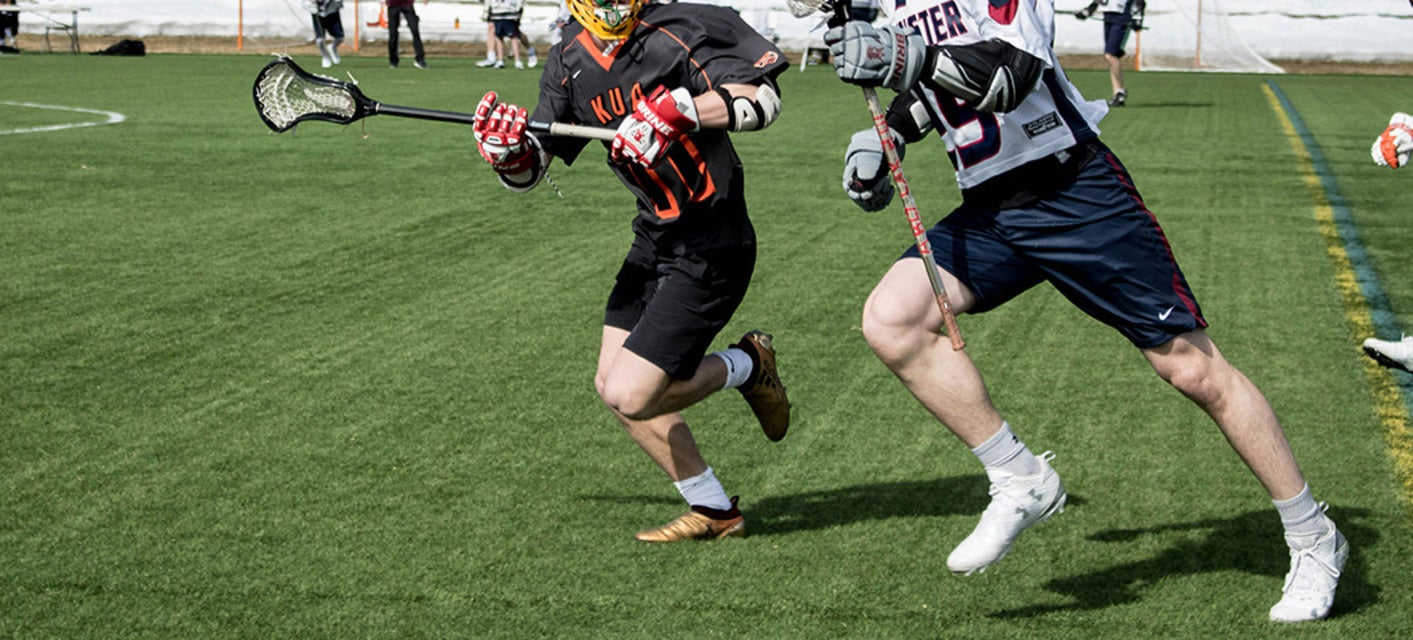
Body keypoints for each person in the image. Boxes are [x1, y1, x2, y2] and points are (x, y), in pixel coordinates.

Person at [823, 0, 1346, 622]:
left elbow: (1009, 77)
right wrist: (887, 137)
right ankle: (1020, 479)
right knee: (892, 319)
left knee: (1193, 371)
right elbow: (935, 93)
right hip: (991, 212)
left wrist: (901, 56)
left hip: (1074, 195)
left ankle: (1315, 538)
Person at [470, 0, 791, 541]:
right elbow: (534, 167)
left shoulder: (685, 25)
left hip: (713, 242)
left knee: (630, 394)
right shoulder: (569, 55)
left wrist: (680, 110)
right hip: (654, 239)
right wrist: (509, 154)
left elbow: (762, 99)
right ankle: (714, 510)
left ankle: (746, 364)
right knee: (609, 382)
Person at [1075, 0, 1145, 106]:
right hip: (1108, 15)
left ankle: (1119, 92)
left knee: (1111, 55)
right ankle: (1118, 93)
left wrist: (1138, 17)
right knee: (1112, 55)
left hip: (1122, 17)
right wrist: (1089, 10)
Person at [478, 0, 539, 69]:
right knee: (492, 29)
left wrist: (518, 9)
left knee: (515, 33)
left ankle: (530, 50)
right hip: (496, 9)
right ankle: (492, 58)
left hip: (510, 9)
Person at [386, 0, 427, 69]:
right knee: (393, 34)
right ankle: (393, 60)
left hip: (407, 4)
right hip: (393, 4)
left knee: (415, 31)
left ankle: (420, 59)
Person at [305, 0, 345, 69]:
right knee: (320, 40)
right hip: (317, 13)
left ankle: (332, 47)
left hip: (332, 12)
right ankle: (325, 56)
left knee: (340, 37)